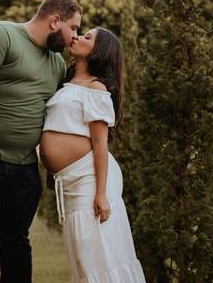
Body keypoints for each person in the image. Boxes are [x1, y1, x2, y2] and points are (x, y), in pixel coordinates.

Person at [0, 0, 82, 283]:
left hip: (24, 166)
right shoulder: (2, 35)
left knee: (16, 239)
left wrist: (52, 163)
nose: (75, 36)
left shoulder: (57, 64)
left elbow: (52, 116)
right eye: (73, 27)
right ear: (55, 21)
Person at [41, 27, 145, 283]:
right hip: (71, 182)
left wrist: (101, 194)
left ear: (99, 51)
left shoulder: (96, 88)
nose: (77, 37)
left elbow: (100, 144)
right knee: (83, 256)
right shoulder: (65, 84)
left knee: (100, 255)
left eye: (87, 37)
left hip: (90, 179)